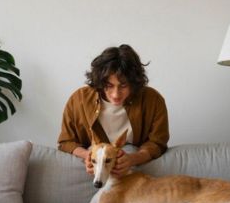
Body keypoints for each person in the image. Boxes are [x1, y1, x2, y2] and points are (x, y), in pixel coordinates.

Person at [58, 44, 169, 176]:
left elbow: (158, 143)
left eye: (123, 86)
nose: (116, 94)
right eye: (109, 86)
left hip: (134, 172)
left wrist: (132, 159)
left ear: (134, 83)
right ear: (100, 82)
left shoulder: (153, 100)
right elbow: (66, 142)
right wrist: (89, 156)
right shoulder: (79, 100)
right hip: (93, 172)